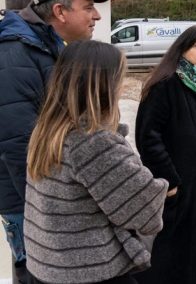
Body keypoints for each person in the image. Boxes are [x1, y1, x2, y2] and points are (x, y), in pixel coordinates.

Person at [23, 40, 167, 284]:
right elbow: (145, 212)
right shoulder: (92, 142)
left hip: (49, 268)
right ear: (104, 85)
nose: (122, 86)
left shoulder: (49, 131)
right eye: (120, 77)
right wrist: (163, 185)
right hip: (90, 272)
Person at [0, 0, 111, 282]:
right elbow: (18, 143)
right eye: (88, 7)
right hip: (35, 208)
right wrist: (52, 212)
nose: (96, 16)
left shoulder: (49, 47)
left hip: (50, 204)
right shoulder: (15, 53)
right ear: (60, 11)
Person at [134, 25, 196, 284]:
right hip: (179, 192)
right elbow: (148, 138)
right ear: (182, 49)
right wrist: (170, 183)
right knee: (170, 261)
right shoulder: (164, 85)